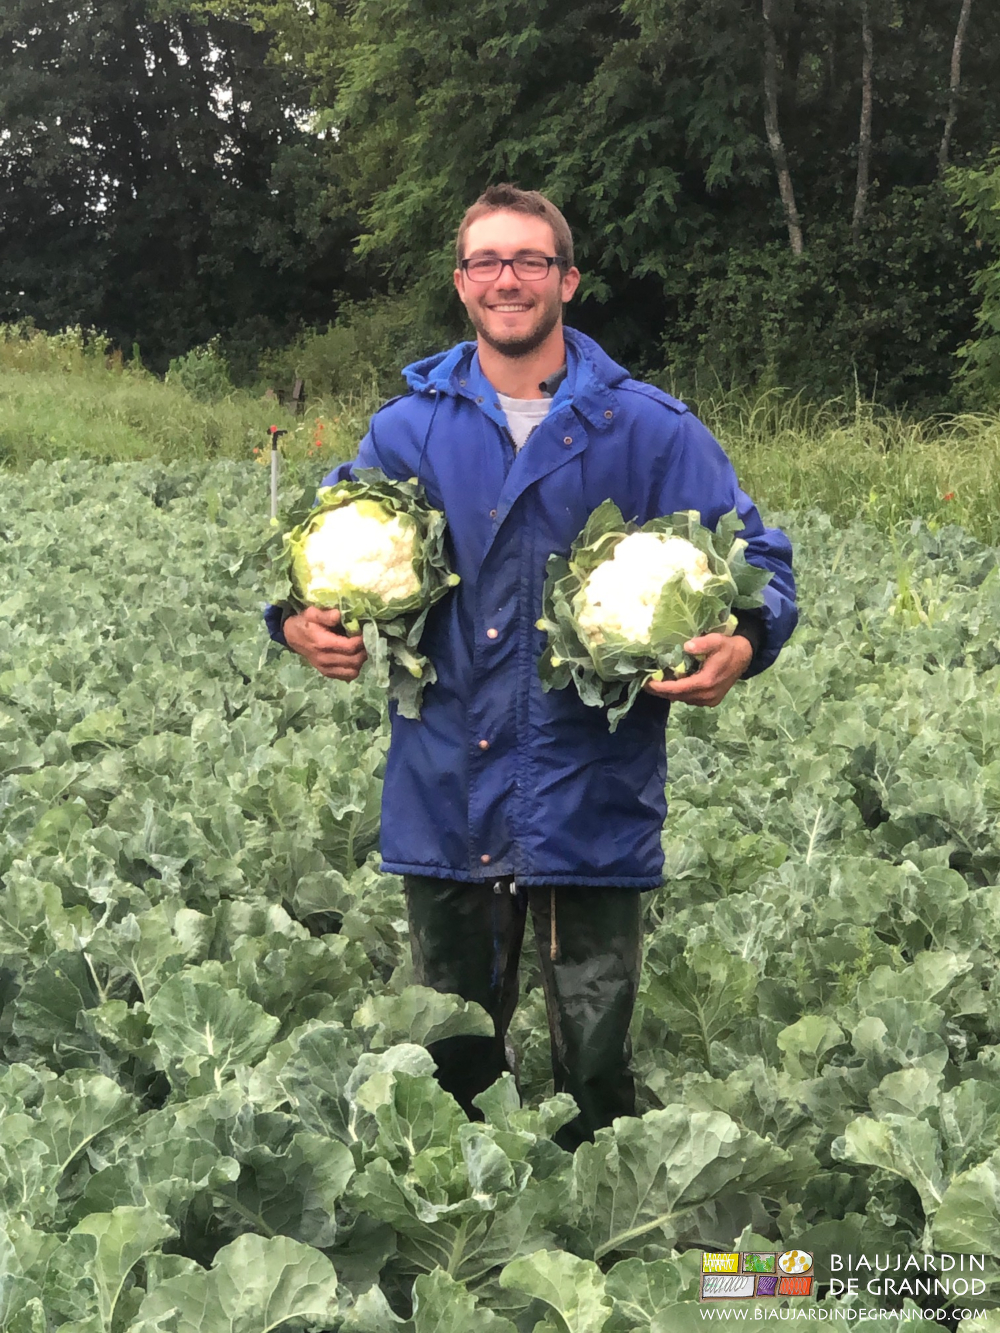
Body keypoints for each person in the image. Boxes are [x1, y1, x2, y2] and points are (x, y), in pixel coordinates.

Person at [266, 184, 797, 1149]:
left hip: (591, 783)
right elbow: (319, 558)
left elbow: (759, 560)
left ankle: (607, 1238)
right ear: (461, 283)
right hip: (446, 783)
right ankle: (463, 1238)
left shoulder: (649, 429)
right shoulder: (407, 430)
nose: (507, 279)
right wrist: (295, 620)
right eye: (486, 262)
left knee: (595, 1061)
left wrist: (748, 639)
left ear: (567, 279)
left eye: (529, 261)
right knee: (452, 1062)